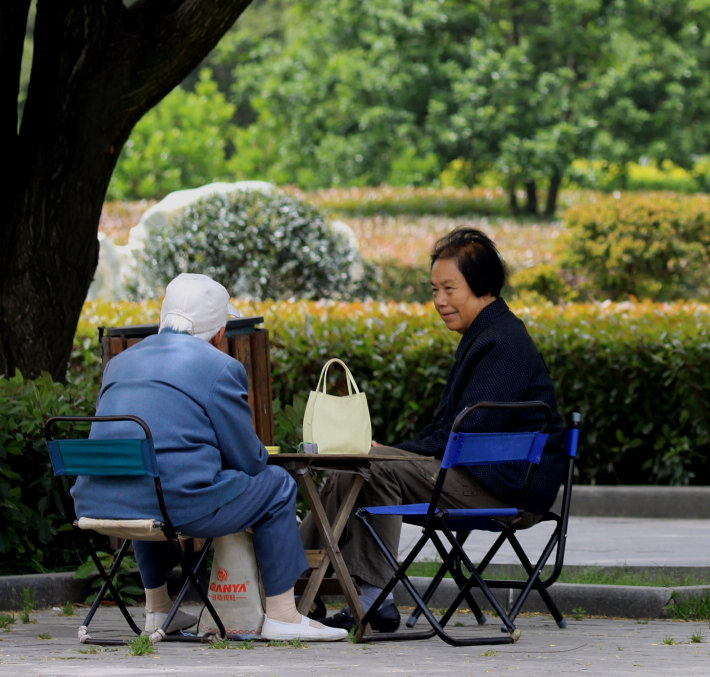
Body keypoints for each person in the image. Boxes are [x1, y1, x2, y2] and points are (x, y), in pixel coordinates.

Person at [301, 227, 567, 633]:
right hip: (479, 472)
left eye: (449, 288)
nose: (439, 301)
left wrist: (391, 453)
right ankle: (301, 586)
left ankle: (348, 594)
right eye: (434, 289)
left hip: (502, 484)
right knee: (357, 464)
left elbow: (461, 437)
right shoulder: (486, 335)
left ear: (481, 286)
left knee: (370, 467)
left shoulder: (502, 344)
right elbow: (450, 432)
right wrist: (390, 450)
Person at [71, 272, 347, 642]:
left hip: (98, 501)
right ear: (219, 334)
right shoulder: (220, 367)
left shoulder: (120, 363)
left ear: (163, 319)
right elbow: (249, 461)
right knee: (277, 485)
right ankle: (282, 615)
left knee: (143, 478)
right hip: (178, 506)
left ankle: (158, 609)